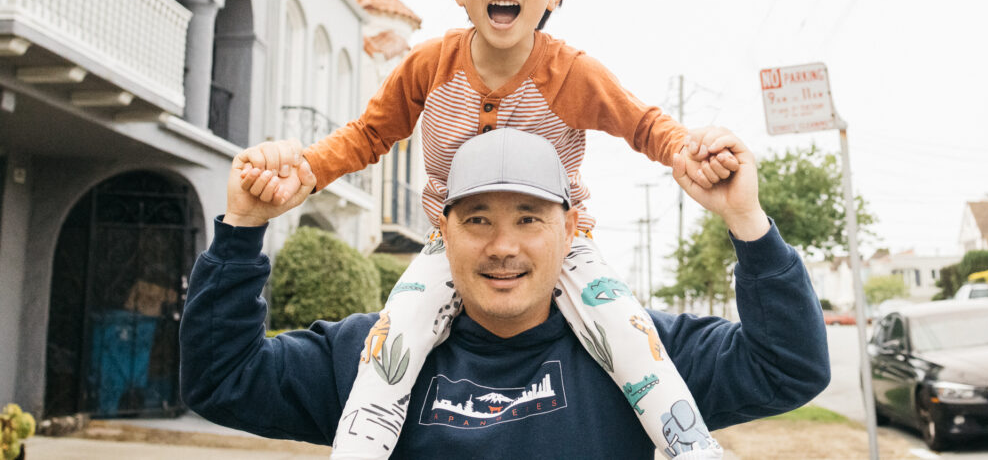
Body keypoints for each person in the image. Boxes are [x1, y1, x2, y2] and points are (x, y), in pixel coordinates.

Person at [239, 0, 737, 459]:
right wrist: (308, 169)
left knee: (632, 340)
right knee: (389, 347)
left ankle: (695, 450)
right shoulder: (429, 65)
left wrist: (685, 151)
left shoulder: (571, 72)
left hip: (563, 246)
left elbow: (644, 124)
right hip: (453, 241)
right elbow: (368, 134)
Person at [180, 127, 830, 459]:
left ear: (571, 228)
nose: (503, 246)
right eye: (478, 218)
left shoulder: (643, 354)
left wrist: (748, 222)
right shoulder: (372, 358)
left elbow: (790, 367)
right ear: (444, 230)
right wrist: (243, 226)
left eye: (528, 217)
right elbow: (222, 378)